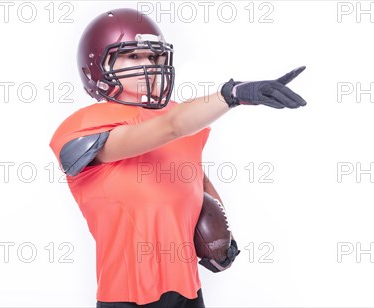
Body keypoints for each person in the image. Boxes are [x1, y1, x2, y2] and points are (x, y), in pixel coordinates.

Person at [49, 8, 307, 308]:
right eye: (134, 57)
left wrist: (220, 233)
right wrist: (232, 93)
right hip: (127, 295)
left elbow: (193, 176)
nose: (149, 65)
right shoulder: (87, 124)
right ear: (99, 66)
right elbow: (169, 128)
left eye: (154, 57)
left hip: (187, 291)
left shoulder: (179, 115)